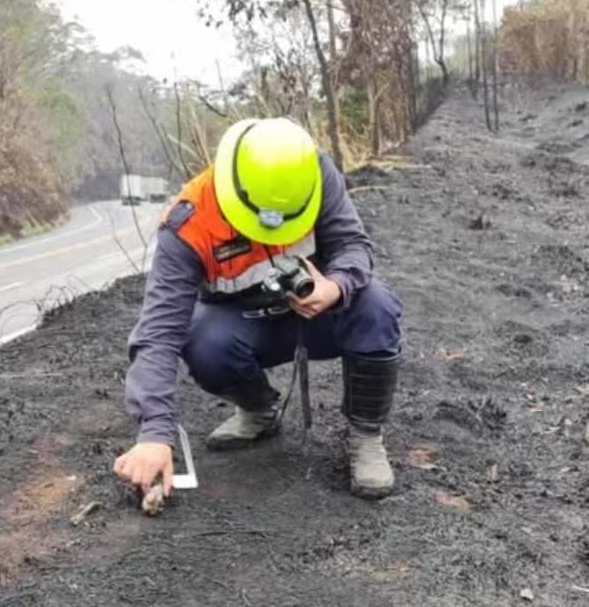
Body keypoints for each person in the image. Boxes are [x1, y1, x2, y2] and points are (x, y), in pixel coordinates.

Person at [113, 117, 404, 500]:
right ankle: (257, 411)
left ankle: (366, 435)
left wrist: (334, 286)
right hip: (245, 326)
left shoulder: (312, 173)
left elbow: (353, 244)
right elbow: (158, 332)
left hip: (317, 316)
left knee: (375, 304)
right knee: (202, 340)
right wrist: (154, 431)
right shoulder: (187, 223)